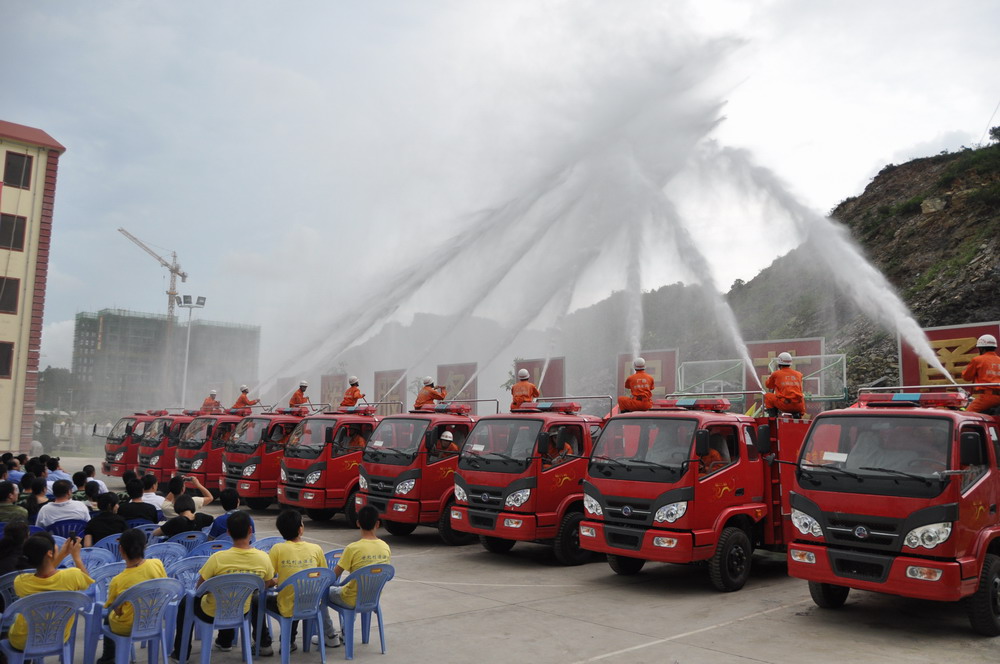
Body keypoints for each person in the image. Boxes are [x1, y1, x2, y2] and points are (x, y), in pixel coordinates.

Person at [171, 511, 276, 659]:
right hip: (242, 611)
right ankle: (225, 641)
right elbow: (265, 586)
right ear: (250, 531)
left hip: (210, 614)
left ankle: (181, 654)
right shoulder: (263, 558)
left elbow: (200, 589)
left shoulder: (217, 558)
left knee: (187, 601)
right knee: (239, 595)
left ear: (228, 532)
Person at [269, 509, 340, 651]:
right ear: (300, 529)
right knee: (299, 593)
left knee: (265, 599)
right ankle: (329, 635)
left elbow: (268, 578)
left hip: (288, 604)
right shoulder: (315, 548)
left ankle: (278, 643)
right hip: (313, 602)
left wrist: (278, 581)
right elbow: (326, 576)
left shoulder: (277, 549)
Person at [9, 533, 93, 651]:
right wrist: (76, 557)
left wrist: (62, 554)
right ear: (49, 553)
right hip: (57, 637)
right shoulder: (73, 575)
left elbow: (45, 574)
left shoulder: (20, 581)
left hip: (23, 641)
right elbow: (87, 582)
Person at [99, 528, 167, 664]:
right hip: (153, 620)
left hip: (127, 627)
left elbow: (115, 609)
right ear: (145, 546)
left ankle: (108, 658)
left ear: (121, 550)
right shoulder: (157, 564)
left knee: (108, 617)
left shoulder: (118, 580)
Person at [328, 504, 390, 615]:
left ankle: (328, 631)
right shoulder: (385, 547)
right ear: (377, 524)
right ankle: (344, 627)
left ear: (358, 523)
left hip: (351, 599)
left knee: (325, 593)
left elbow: (334, 575)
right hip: (373, 598)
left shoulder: (352, 548)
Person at [963, 334, 1000, 413]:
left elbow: (967, 377)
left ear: (981, 348)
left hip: (987, 397)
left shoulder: (977, 360)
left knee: (966, 416)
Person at [764, 352, 805, 417]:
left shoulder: (776, 374)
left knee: (768, 396)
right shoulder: (799, 374)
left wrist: (769, 378)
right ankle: (797, 415)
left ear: (779, 364)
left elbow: (768, 385)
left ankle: (773, 418)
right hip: (799, 406)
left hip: (785, 404)